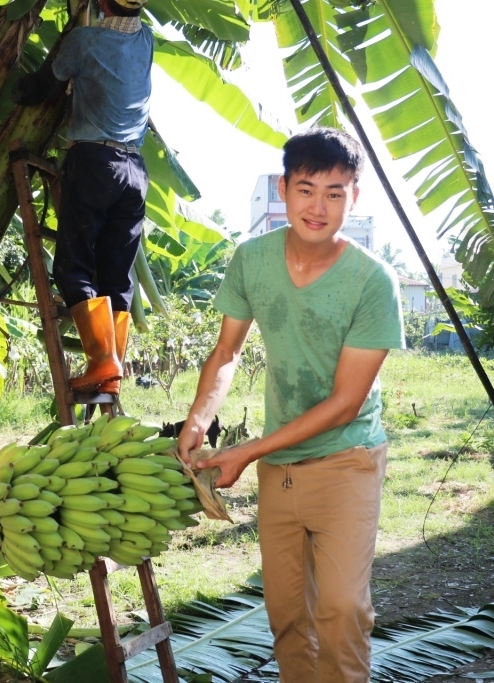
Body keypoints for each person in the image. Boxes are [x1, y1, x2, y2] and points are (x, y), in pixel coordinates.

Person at [177, 127, 406, 683]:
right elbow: (226, 351)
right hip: (281, 468)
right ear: (283, 190)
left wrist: (248, 451)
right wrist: (199, 418)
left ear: (356, 196)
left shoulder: (374, 282)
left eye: (335, 192)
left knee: (342, 610)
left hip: (346, 459)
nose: (318, 206)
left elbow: (346, 403)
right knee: (286, 615)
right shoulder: (251, 260)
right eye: (306, 189)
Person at [11, 0, 152, 396]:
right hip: (135, 171)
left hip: (94, 162)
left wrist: (12, 83)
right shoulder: (147, 39)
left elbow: (39, 89)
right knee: (116, 274)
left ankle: (102, 360)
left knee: (73, 267)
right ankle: (112, 370)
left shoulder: (83, 41)